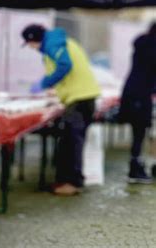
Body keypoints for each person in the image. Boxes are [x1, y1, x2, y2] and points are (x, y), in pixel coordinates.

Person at [22, 24, 101, 196]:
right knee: (69, 140)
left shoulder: (51, 44)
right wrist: (55, 88)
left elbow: (65, 65)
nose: (31, 48)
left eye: (29, 44)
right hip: (84, 96)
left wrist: (45, 83)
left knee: (72, 141)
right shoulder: (63, 42)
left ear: (33, 40)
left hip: (79, 99)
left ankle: (72, 183)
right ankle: (67, 180)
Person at [118, 23, 156, 184]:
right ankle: (135, 169)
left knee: (139, 132)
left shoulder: (143, 44)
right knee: (140, 131)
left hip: (134, 92)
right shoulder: (151, 47)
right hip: (140, 94)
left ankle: (136, 166)